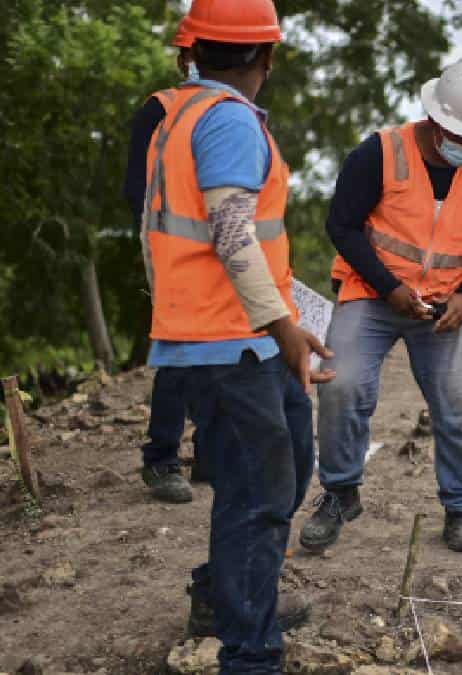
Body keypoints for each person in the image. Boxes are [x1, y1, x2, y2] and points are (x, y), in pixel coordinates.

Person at [140, 0, 333, 668]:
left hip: (235, 336)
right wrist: (287, 329)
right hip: (231, 340)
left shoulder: (184, 114)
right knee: (258, 497)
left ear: (192, 50)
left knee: (285, 468)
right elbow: (229, 232)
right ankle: (250, 654)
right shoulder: (226, 121)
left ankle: (220, 592)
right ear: (267, 56)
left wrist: (290, 323)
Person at [301, 58, 462, 554]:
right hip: (372, 293)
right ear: (435, 120)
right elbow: (342, 226)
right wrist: (388, 286)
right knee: (342, 385)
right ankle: (340, 492)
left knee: (460, 406)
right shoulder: (378, 153)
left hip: (447, 305)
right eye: (461, 134)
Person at [123, 17, 202, 504]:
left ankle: (211, 455)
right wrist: (161, 247)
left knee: (227, 349)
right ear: (184, 60)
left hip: (229, 252)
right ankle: (162, 460)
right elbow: (136, 187)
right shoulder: (160, 109)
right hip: (174, 249)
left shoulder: (245, 112)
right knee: (181, 348)